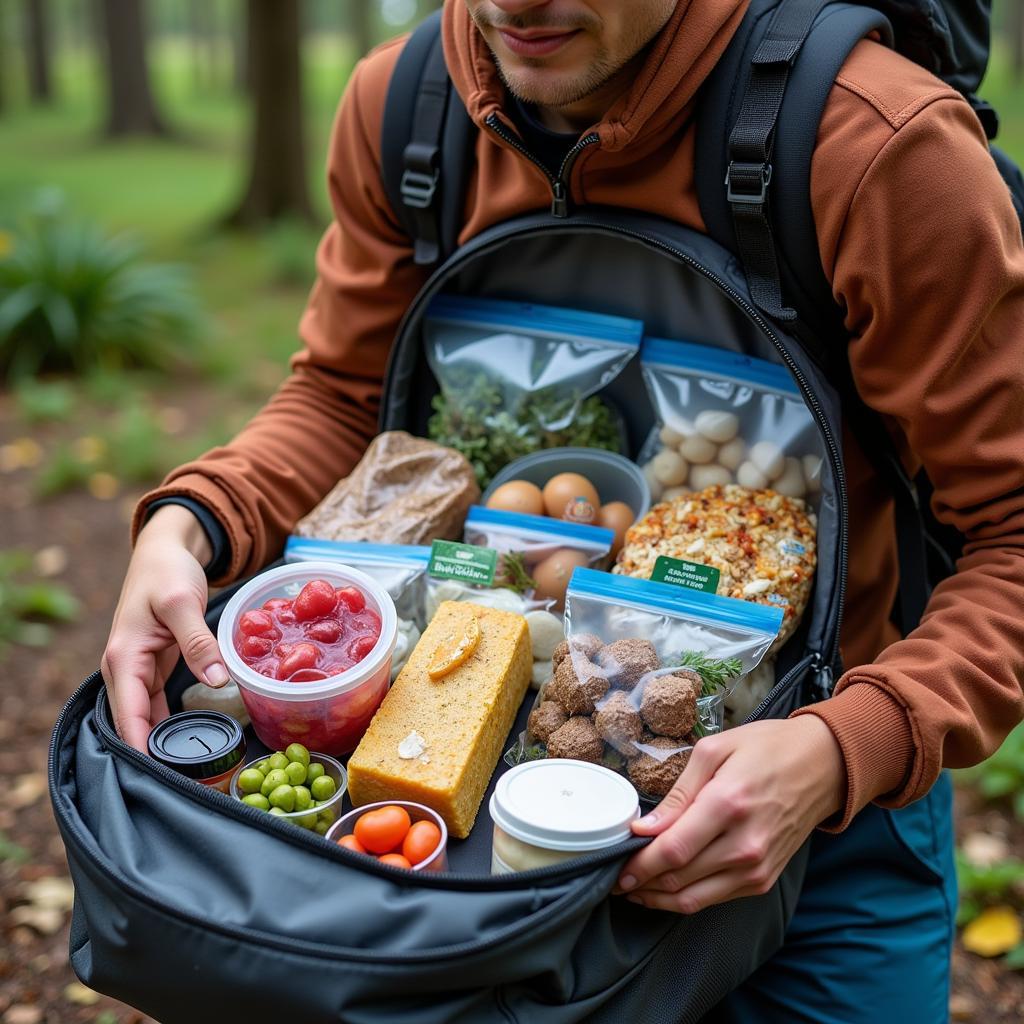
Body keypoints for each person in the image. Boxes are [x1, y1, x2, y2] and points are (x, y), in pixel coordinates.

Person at [101, 0, 1024, 1019]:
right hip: (465, 803)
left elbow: (1013, 530)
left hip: (825, 816)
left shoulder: (876, 145)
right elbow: (341, 394)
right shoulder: (404, 108)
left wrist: (849, 746)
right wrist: (191, 522)